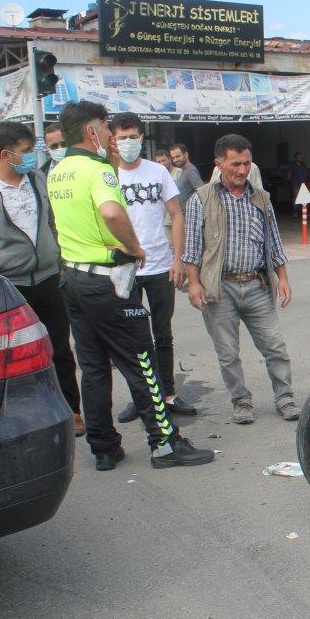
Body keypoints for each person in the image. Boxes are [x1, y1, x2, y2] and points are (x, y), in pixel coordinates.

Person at [48, 100, 214, 470]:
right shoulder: (98, 171)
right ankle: (165, 443)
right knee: (142, 359)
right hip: (106, 281)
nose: (110, 135)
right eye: (106, 127)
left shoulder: (58, 171)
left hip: (73, 277)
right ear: (92, 131)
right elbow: (110, 212)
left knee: (92, 366)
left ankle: (104, 447)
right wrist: (135, 247)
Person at [0, 121, 84, 437]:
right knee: (13, 357)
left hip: (49, 278)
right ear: (4, 154)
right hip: (9, 286)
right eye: (25, 152)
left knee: (60, 350)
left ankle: (72, 409)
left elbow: (54, 223)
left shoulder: (37, 179)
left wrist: (60, 258)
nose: (31, 157)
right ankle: (20, 417)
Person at [182, 133, 300, 425]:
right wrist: (194, 283)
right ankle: (241, 401)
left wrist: (282, 278)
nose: (242, 170)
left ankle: (285, 398)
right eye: (235, 164)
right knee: (228, 353)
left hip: (257, 285)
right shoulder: (201, 199)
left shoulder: (261, 198)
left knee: (275, 346)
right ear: (219, 163)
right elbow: (193, 248)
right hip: (219, 289)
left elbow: (273, 242)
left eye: (247, 163)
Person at [108, 113, 198, 425]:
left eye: (133, 136)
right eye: (122, 137)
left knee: (163, 333)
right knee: (132, 338)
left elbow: (177, 215)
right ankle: (141, 397)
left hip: (160, 265)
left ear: (142, 138)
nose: (128, 142)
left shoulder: (158, 171)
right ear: (113, 140)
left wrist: (179, 260)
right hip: (124, 268)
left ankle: (169, 394)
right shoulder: (107, 174)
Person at [169, 143, 203, 208]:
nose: (175, 160)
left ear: (186, 155)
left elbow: (202, 192)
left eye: (178, 156)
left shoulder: (191, 171)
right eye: (173, 158)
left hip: (188, 215)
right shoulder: (183, 170)